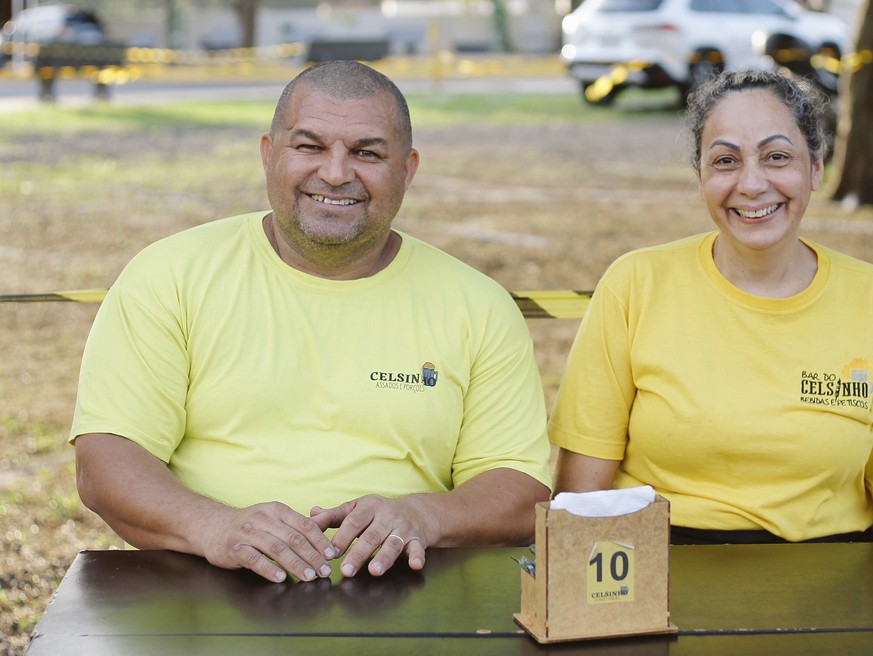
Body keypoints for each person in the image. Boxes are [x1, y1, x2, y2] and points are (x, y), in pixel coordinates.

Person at [71, 60, 552, 583]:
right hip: (202, 587)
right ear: (268, 154)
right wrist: (216, 528)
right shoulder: (168, 275)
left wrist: (422, 516)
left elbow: (518, 489)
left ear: (408, 170)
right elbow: (106, 460)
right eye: (310, 146)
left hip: (410, 589)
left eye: (367, 152)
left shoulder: (477, 304)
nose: (336, 173)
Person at [548, 69, 873, 545]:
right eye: (726, 161)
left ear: (815, 167)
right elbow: (580, 502)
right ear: (701, 176)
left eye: (776, 157)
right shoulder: (635, 284)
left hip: (830, 587)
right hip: (657, 581)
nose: (751, 184)